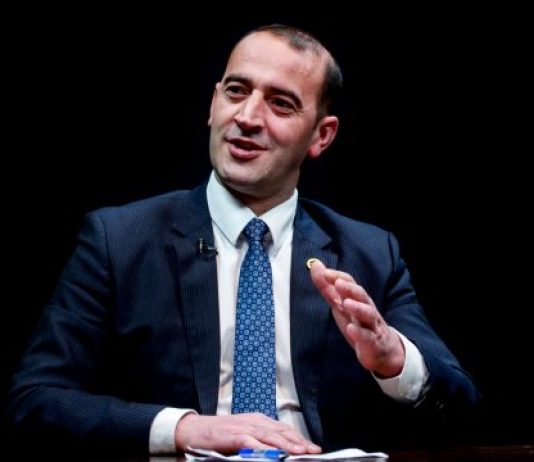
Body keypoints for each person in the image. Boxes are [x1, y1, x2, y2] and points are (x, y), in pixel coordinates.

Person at [5, 24, 479, 457]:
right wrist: (185, 428)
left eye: (281, 103)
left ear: (322, 136)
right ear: (214, 105)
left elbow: (461, 409)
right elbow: (35, 401)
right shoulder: (120, 240)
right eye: (236, 91)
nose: (248, 117)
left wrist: (393, 360)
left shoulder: (369, 254)